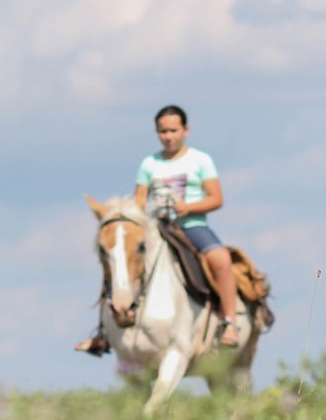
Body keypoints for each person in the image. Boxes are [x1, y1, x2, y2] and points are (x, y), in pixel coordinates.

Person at [76, 104, 239, 353]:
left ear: (185, 130)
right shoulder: (149, 164)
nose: (168, 136)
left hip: (192, 225)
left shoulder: (200, 160)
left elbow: (216, 198)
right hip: (157, 227)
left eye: (173, 130)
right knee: (119, 261)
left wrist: (188, 207)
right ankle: (104, 331)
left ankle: (229, 321)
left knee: (221, 258)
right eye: (163, 131)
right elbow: (140, 199)